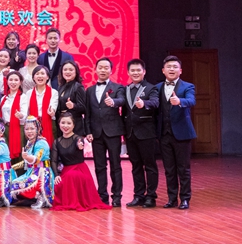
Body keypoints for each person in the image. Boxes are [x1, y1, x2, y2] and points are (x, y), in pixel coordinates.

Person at [157, 55, 197, 210]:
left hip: (182, 133)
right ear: (163, 70)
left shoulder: (187, 86)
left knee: (183, 168)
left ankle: (185, 199)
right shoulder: (158, 87)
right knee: (169, 169)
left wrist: (180, 101)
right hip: (164, 134)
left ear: (180, 70)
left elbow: (191, 101)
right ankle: (172, 199)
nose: (172, 69)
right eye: (169, 67)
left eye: (175, 67)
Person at [84, 57, 125, 207]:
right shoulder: (89, 90)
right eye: (100, 67)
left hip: (113, 132)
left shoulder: (118, 87)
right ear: (95, 69)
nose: (103, 70)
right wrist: (88, 131)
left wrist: (114, 102)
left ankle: (117, 196)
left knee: (115, 165)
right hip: (96, 133)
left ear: (111, 70)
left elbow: (122, 100)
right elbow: (88, 113)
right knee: (99, 166)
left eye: (106, 68)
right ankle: (102, 195)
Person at [51, 112, 112, 211]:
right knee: (60, 181)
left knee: (71, 176)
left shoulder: (78, 139)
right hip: (66, 170)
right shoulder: (56, 142)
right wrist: (56, 175)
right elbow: (53, 160)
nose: (65, 126)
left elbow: (80, 144)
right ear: (59, 124)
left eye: (69, 123)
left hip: (79, 170)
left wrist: (80, 146)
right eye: (63, 123)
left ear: (73, 125)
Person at [121, 58, 159, 208]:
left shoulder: (151, 88)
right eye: (133, 70)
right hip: (130, 134)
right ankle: (138, 195)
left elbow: (155, 102)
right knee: (135, 166)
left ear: (144, 72)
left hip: (146, 133)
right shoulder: (126, 89)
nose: (135, 73)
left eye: (138, 70)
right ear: (128, 72)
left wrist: (145, 103)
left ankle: (151, 196)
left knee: (150, 165)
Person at [9, 116, 54, 209]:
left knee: (14, 186)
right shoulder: (30, 143)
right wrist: (12, 167)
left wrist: (27, 157)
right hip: (31, 173)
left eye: (32, 129)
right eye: (27, 129)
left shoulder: (41, 143)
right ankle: (33, 196)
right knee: (10, 185)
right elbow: (26, 162)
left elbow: (36, 159)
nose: (29, 131)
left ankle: (41, 196)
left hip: (41, 175)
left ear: (38, 129)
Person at [22, 66, 58, 146]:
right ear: (33, 78)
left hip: (49, 123)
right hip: (32, 125)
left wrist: (52, 111)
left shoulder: (53, 92)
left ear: (47, 77)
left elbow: (53, 105)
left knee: (49, 147)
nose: (40, 76)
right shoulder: (29, 93)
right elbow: (26, 111)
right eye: (37, 74)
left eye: (42, 73)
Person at [0, 71, 25, 167]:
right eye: (10, 80)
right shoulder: (4, 98)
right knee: (5, 153)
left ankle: (19, 173)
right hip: (5, 128)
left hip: (18, 128)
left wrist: (20, 115)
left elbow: (24, 113)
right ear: (7, 81)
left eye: (16, 80)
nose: (13, 82)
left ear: (20, 82)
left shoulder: (23, 97)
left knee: (19, 154)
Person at [56, 61, 86, 136]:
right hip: (62, 125)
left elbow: (84, 108)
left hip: (75, 126)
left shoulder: (78, 87)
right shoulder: (60, 87)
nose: (67, 72)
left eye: (71, 70)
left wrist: (73, 106)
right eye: (65, 69)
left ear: (76, 72)